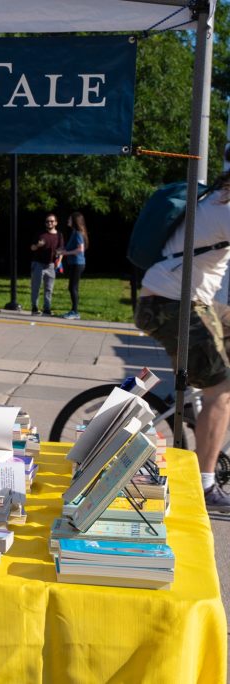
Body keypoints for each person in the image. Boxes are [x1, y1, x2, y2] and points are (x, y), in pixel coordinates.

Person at [135, 170, 230, 513]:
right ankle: (204, 486)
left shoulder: (215, 198)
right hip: (173, 304)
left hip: (181, 300)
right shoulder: (225, 206)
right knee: (221, 389)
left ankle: (193, 407)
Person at [29, 213, 63, 315]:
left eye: (52, 221)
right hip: (38, 263)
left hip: (51, 265)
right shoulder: (40, 234)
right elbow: (32, 248)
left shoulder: (59, 235)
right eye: (47, 221)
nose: (49, 223)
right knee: (36, 287)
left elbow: (61, 249)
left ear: (56, 223)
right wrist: (37, 245)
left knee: (49, 288)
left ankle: (47, 309)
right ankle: (34, 308)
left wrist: (59, 261)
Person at [57, 212, 88, 320]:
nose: (68, 221)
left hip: (77, 263)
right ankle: (74, 311)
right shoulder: (75, 232)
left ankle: (75, 312)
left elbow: (80, 249)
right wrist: (63, 250)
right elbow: (72, 248)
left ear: (75, 221)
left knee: (72, 288)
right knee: (73, 288)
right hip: (75, 263)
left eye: (69, 219)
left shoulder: (78, 233)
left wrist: (65, 253)